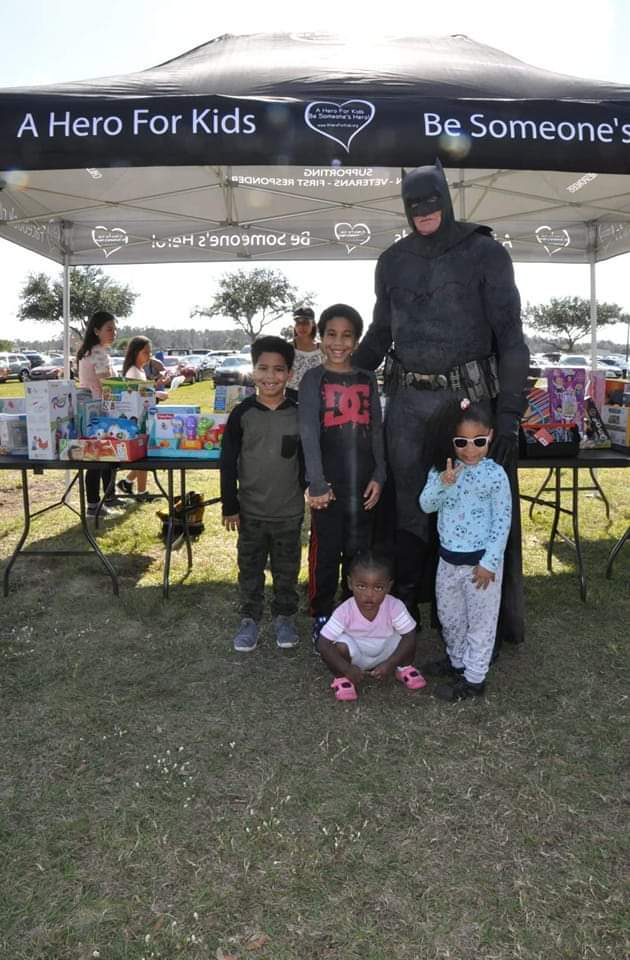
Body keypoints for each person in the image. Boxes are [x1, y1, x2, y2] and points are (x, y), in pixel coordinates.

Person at [353, 159, 529, 646]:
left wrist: (509, 415)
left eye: (432, 202)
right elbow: (381, 332)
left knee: (475, 513)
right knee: (409, 511)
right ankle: (406, 623)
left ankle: (480, 628)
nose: (424, 212)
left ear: (447, 200)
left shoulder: (485, 252)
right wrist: (340, 369)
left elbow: (511, 338)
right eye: (414, 205)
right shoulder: (392, 260)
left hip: (468, 404)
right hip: (407, 403)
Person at [298, 304, 386, 651]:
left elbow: (377, 430)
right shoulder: (313, 379)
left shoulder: (366, 378)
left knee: (358, 552)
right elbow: (308, 432)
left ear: (356, 339)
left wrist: (380, 474)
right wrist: (317, 481)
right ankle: (321, 614)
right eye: (331, 334)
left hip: (363, 485)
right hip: (328, 487)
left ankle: (352, 616)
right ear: (321, 337)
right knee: (325, 552)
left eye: (347, 335)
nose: (338, 342)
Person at [419, 399, 512, 702]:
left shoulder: (495, 475)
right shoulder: (442, 471)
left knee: (481, 624)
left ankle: (474, 679)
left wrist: (490, 562)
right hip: (448, 562)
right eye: (461, 442)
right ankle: (457, 661)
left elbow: (502, 522)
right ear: (451, 441)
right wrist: (443, 483)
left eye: (478, 441)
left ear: (490, 437)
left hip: (480, 567)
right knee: (450, 617)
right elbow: (426, 505)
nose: (470, 449)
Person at [220, 335, 304, 653]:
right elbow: (227, 462)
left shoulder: (300, 410)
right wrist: (230, 504)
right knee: (250, 569)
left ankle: (284, 617)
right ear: (253, 371)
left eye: (279, 370)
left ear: (290, 374)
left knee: (286, 570)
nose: (270, 377)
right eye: (263, 368)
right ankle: (249, 619)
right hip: (251, 512)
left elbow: (310, 456)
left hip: (289, 512)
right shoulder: (242, 413)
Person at [318, 550, 426, 701]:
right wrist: (346, 669)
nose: (369, 595)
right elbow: (323, 643)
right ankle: (342, 679)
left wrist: (391, 663)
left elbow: (410, 636)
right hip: (355, 656)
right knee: (340, 646)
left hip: (387, 654)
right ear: (350, 584)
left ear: (389, 587)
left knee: (407, 633)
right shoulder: (344, 610)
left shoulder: (394, 606)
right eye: (362, 586)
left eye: (378, 588)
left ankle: (404, 668)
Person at [77, 310, 124, 518]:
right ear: (96, 331)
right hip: (99, 411)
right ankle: (95, 505)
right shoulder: (98, 352)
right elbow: (108, 384)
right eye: (109, 329)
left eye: (115, 329)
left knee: (101, 456)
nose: (113, 333)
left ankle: (105, 498)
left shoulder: (90, 351)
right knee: (97, 458)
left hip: (90, 410)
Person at [116, 336, 152, 502]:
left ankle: (130, 483)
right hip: (135, 421)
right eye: (145, 352)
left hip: (141, 418)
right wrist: (155, 394)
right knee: (142, 456)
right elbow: (134, 396)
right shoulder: (132, 372)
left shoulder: (140, 370)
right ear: (136, 352)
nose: (149, 356)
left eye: (150, 352)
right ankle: (140, 491)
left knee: (143, 456)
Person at [285, 305, 322, 400]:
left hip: (315, 396)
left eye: (306, 323)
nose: (301, 327)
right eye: (298, 323)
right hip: (291, 396)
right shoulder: (287, 347)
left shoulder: (322, 348)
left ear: (313, 324)